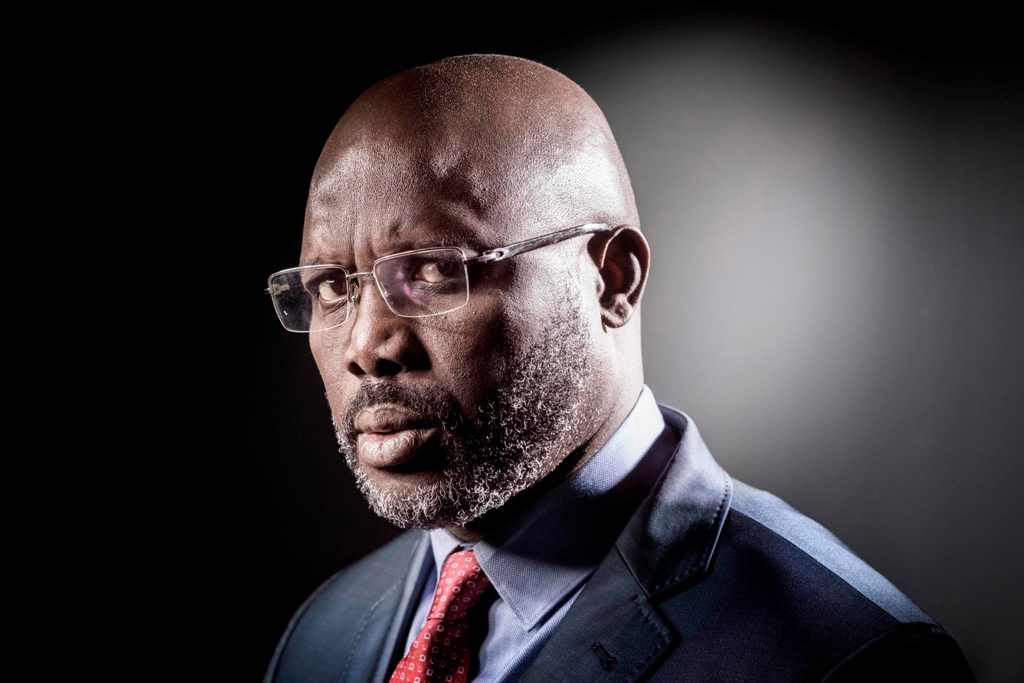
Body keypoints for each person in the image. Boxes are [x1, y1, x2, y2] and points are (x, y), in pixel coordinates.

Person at [263, 54, 974, 682]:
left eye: (432, 271)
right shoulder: (324, 633)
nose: (367, 344)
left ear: (612, 278)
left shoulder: (850, 657)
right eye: (331, 286)